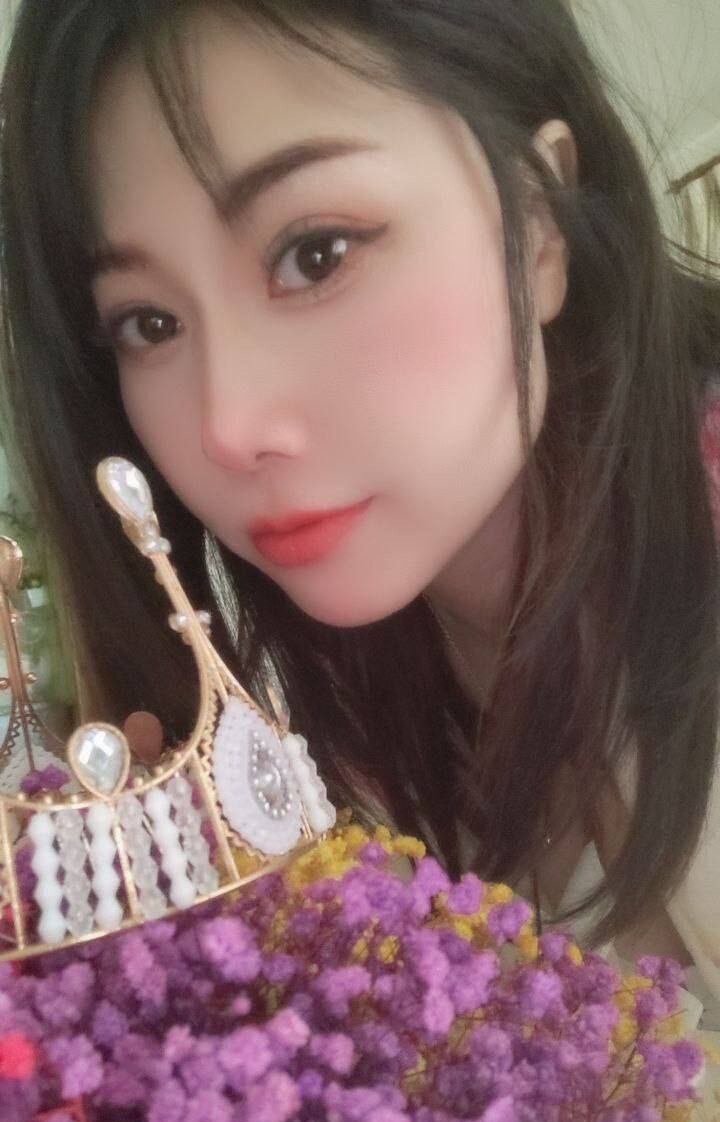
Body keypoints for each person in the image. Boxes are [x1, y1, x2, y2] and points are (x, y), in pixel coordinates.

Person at [1, 0, 720, 990]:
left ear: (539, 225)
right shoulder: (317, 720)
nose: (226, 426)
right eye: (149, 322)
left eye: (317, 254)